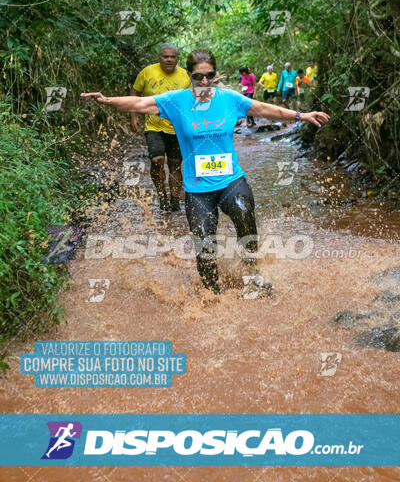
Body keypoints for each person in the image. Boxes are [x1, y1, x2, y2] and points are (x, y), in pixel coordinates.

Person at [82, 49, 329, 296]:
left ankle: (252, 272)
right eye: (198, 77)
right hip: (197, 189)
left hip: (231, 180)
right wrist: (107, 100)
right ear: (189, 75)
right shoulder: (175, 101)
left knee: (244, 212)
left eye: (209, 75)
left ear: (215, 74)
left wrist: (301, 115)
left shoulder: (229, 99)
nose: (204, 82)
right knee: (204, 247)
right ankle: (213, 295)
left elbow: (263, 109)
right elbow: (139, 103)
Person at [130, 43, 191, 211]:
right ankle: (162, 196)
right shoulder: (147, 72)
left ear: (177, 58)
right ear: (160, 57)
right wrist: (133, 115)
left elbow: (192, 101)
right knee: (156, 161)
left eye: (173, 56)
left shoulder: (186, 76)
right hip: (154, 126)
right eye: (166, 56)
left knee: (175, 164)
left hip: (177, 128)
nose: (169, 59)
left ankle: (174, 200)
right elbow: (134, 92)